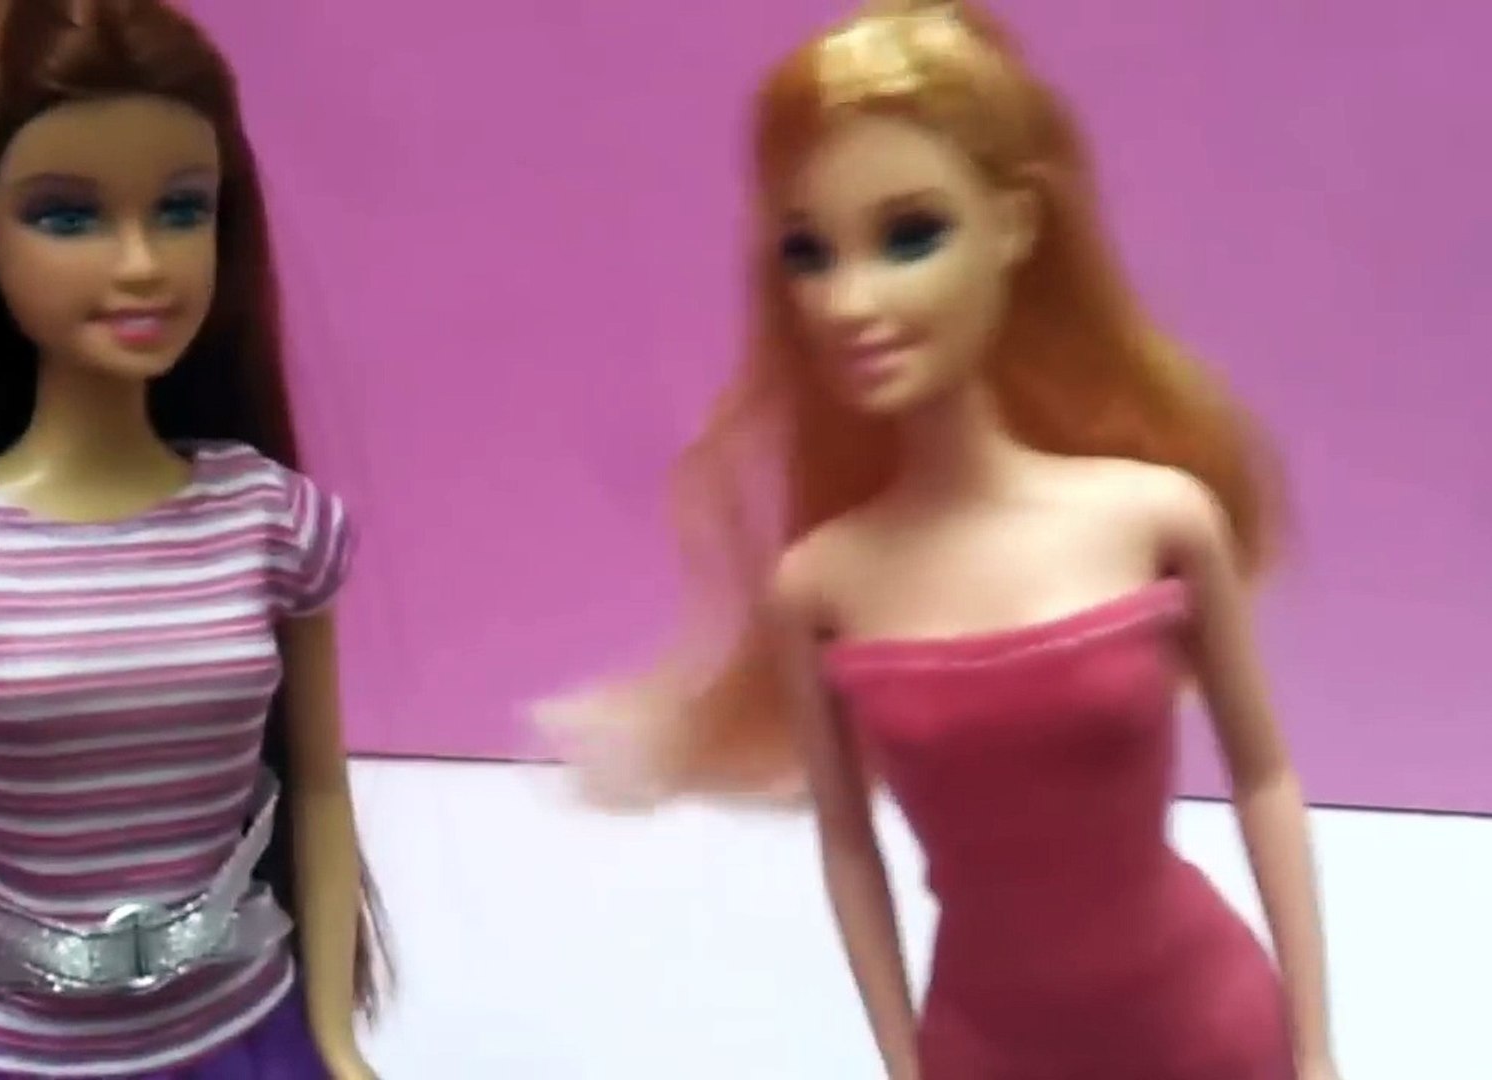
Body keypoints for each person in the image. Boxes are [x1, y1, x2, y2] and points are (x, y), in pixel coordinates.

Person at [536, 2, 1339, 1077]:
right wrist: (904, 1061)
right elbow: (849, 849)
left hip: (1205, 1034)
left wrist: (1318, 1053)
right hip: (985, 1047)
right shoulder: (822, 586)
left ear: (1013, 226)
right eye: (810, 253)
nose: (848, 301)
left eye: (910, 236)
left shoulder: (1156, 519)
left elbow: (1265, 775)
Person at [0, 2, 388, 1076]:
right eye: (67, 215)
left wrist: (334, 1036)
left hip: (241, 1036)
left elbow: (319, 789)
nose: (142, 263)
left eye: (181, 209)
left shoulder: (271, 522)